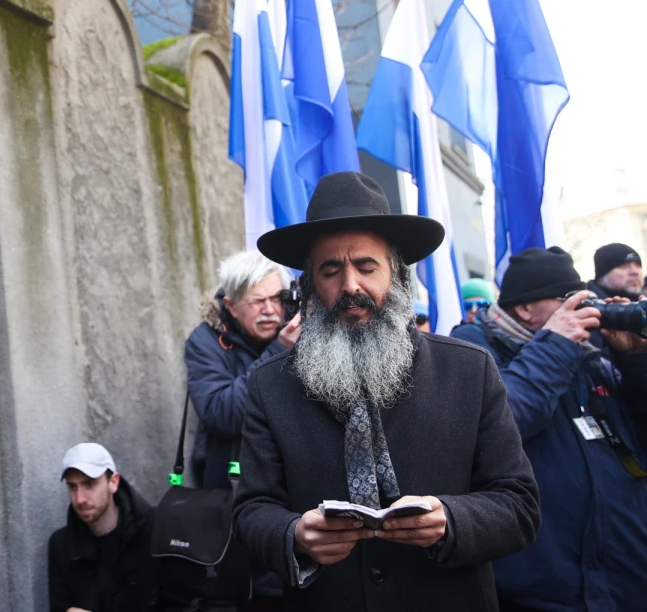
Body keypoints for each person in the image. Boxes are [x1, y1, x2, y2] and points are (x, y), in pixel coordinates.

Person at [232, 171, 540, 612]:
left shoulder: (469, 369)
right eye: (331, 270)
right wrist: (295, 534)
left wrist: (450, 520)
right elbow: (251, 509)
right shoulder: (270, 385)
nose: (351, 286)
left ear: (396, 274)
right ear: (311, 286)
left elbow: (519, 506)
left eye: (366, 266)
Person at [451, 246, 647, 612]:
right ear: (524, 309)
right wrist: (555, 345)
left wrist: (634, 361)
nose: (581, 309)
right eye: (566, 299)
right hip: (541, 591)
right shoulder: (471, 350)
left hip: (624, 580)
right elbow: (501, 425)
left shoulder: (590, 351)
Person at [184, 251, 301, 491]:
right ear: (231, 306)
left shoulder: (300, 328)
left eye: (276, 298)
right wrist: (279, 350)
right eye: (257, 301)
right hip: (235, 487)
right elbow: (221, 415)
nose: (269, 310)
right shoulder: (204, 341)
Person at [48, 443, 156, 612]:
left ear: (113, 482)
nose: (80, 498)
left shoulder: (152, 531)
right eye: (72, 487)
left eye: (89, 484)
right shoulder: (61, 546)